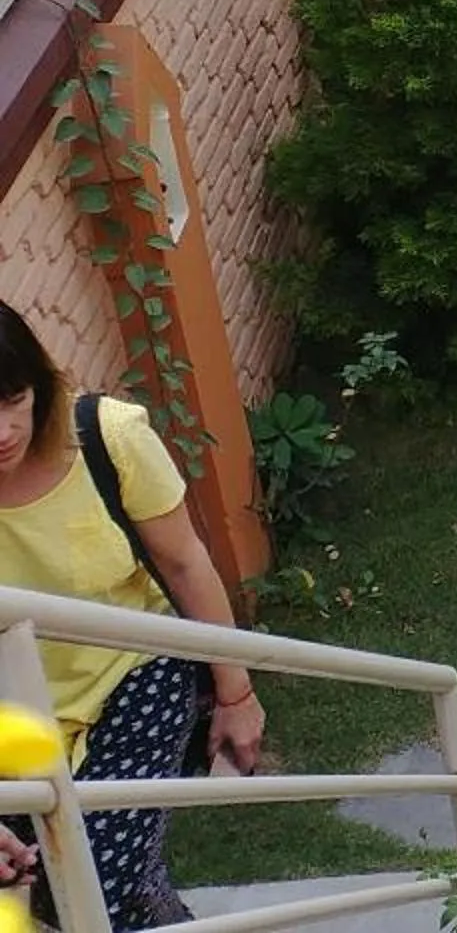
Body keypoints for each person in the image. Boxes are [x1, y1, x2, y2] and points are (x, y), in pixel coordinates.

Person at [0, 305, 263, 928]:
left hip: (132, 673)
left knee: (87, 891)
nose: (1, 431)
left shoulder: (104, 437)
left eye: (12, 398)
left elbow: (184, 565)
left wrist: (236, 694)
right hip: (18, 712)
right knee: (48, 885)